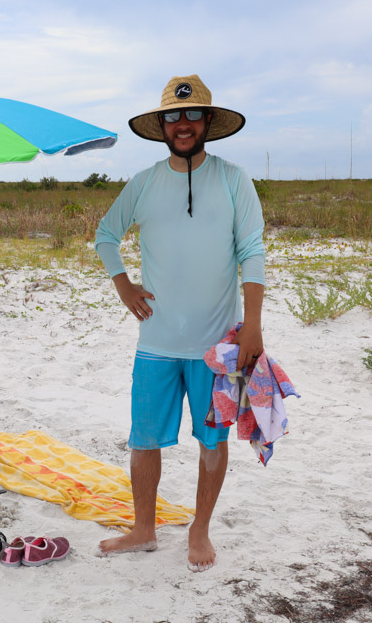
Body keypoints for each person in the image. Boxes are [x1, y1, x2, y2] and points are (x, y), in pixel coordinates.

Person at [94, 74, 266, 572]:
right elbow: (107, 234)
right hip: (157, 342)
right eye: (173, 116)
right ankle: (144, 528)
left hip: (217, 345)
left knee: (211, 441)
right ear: (162, 125)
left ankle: (200, 529)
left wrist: (252, 326)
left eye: (192, 115)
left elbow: (251, 253)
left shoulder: (234, 179)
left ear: (208, 121)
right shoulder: (145, 182)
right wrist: (123, 284)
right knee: (143, 438)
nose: (183, 125)